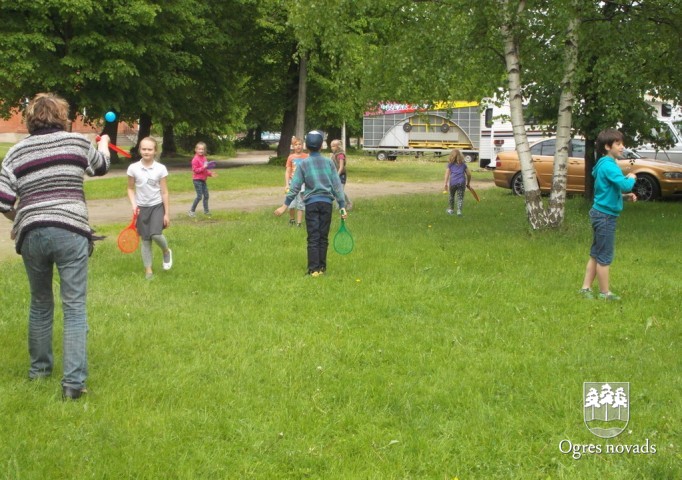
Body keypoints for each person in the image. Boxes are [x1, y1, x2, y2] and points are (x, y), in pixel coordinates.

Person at [0, 92, 111, 400]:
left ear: (30, 118)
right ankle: (73, 384)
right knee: (74, 306)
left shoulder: (15, 152)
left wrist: (22, 219)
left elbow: (3, 200)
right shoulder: (76, 143)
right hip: (71, 231)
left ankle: (39, 373)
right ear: (63, 117)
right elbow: (102, 166)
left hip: (32, 235)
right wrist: (103, 143)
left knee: (40, 302)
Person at [274, 130, 347, 276]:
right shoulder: (329, 162)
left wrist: (284, 205)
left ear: (306, 146)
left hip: (311, 204)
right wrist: (342, 206)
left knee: (313, 236)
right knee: (323, 237)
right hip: (326, 204)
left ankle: (313, 269)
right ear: (321, 146)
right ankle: (322, 268)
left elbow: (295, 186)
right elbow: (337, 186)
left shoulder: (304, 163)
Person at [579, 128, 637, 301]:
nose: (622, 147)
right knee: (604, 257)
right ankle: (605, 293)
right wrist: (631, 177)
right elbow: (625, 185)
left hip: (599, 213)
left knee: (596, 254)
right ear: (607, 146)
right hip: (605, 217)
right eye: (618, 144)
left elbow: (607, 190)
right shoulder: (610, 166)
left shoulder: (603, 164)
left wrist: (624, 197)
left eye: (622, 143)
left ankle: (585, 289)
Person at [127, 136, 173, 280]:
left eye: (149, 149)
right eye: (144, 149)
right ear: (140, 150)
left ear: (155, 151)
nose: (146, 152)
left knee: (156, 234)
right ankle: (148, 271)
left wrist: (167, 213)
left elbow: (164, 192)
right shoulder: (133, 168)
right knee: (146, 240)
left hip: (157, 206)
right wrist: (134, 205)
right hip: (142, 208)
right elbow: (130, 189)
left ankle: (166, 251)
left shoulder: (160, 169)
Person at [188, 141, 216, 218]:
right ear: (196, 150)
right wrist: (203, 167)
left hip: (203, 180)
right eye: (199, 149)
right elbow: (195, 170)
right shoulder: (195, 159)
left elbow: (205, 170)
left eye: (202, 149)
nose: (201, 151)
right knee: (199, 196)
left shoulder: (204, 158)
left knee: (206, 195)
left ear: (204, 150)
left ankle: (206, 211)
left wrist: (210, 174)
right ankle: (191, 211)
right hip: (197, 180)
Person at [285, 136, 308, 226]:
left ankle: (299, 223)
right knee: (291, 203)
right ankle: (292, 219)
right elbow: (288, 171)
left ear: (303, 145)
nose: (298, 146)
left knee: (300, 203)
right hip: (292, 183)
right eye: (296, 144)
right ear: (293, 146)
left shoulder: (306, 157)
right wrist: (287, 184)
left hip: (303, 184)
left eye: (300, 144)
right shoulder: (291, 157)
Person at [443, 148, 471, 216]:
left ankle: (451, 210)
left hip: (453, 182)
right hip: (461, 183)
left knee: (451, 196)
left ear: (451, 156)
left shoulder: (450, 164)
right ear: (460, 156)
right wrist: (468, 183)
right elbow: (469, 174)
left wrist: (445, 184)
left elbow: (447, 174)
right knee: (460, 197)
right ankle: (459, 211)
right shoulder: (463, 164)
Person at [330, 139, 352, 210]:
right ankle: (340, 205)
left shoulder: (341, 155)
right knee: (336, 190)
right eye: (331, 146)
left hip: (341, 175)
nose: (332, 148)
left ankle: (348, 203)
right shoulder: (333, 155)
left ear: (338, 147)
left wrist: (337, 175)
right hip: (335, 174)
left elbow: (341, 167)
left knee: (340, 191)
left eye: (333, 146)